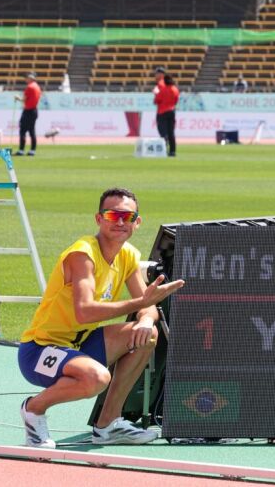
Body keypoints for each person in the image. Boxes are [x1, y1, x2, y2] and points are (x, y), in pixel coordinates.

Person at [17, 188, 185, 448]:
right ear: (99, 219)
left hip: (79, 345)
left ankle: (108, 424)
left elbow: (148, 306)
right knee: (97, 379)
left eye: (127, 216)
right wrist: (142, 303)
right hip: (39, 350)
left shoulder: (128, 255)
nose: (120, 222)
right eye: (112, 214)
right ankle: (33, 409)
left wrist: (145, 319)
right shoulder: (82, 255)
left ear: (137, 222)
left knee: (148, 334)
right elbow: (85, 311)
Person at [153, 68, 180, 157]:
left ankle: (163, 149)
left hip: (162, 111)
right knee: (171, 132)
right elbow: (176, 100)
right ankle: (173, 151)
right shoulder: (175, 89)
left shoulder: (162, 87)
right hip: (171, 111)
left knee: (163, 132)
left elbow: (157, 100)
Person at [14, 72, 41, 157]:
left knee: (23, 130)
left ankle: (21, 150)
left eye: (27, 78)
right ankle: (32, 150)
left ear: (31, 78)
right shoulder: (37, 87)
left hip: (28, 111)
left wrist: (17, 98)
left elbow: (24, 99)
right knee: (32, 131)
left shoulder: (30, 87)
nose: (25, 79)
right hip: (34, 110)